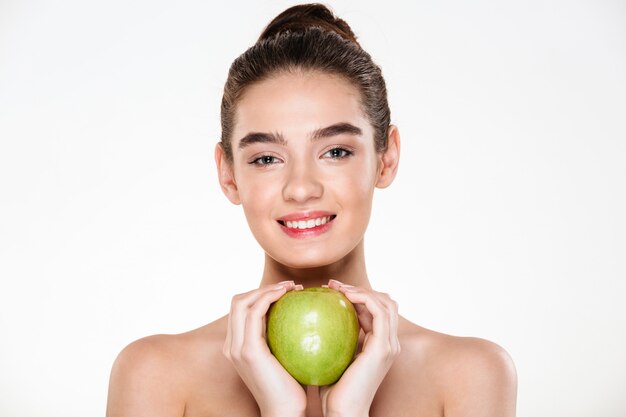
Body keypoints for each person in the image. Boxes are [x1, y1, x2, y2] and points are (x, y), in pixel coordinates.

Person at [106, 4, 517, 416]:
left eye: (335, 151)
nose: (301, 188)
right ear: (228, 174)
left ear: (386, 158)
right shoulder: (154, 375)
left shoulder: (470, 376)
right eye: (267, 158)